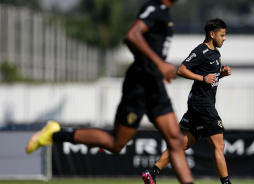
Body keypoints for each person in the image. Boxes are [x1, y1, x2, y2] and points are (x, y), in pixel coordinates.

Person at [25, 0, 194, 183]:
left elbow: (139, 45)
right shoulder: (154, 8)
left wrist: (155, 67)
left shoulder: (165, 12)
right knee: (116, 143)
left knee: (175, 141)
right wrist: (158, 64)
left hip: (154, 85)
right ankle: (54, 134)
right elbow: (131, 36)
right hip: (139, 85)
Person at [142, 18, 232, 184]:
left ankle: (151, 173)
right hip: (202, 105)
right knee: (219, 146)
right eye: (222, 35)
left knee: (182, 144)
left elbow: (210, 77)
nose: (224, 38)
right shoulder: (201, 51)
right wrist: (202, 78)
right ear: (212, 34)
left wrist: (221, 74)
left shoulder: (216, 54)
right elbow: (181, 70)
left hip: (198, 105)